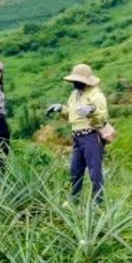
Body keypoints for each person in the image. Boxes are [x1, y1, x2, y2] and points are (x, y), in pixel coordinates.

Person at [47, 63, 108, 202]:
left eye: (78, 81)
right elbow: (71, 114)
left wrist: (92, 110)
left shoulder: (96, 94)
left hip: (92, 136)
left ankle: (98, 203)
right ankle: (74, 200)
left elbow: (103, 116)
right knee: (75, 171)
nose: (75, 83)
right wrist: (61, 108)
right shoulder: (74, 94)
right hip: (77, 137)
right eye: (74, 80)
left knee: (95, 171)